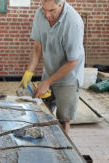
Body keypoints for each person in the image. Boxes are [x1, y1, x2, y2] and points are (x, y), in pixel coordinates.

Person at [21, 0, 84, 134]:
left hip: (69, 77)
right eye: (44, 9)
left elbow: (73, 61)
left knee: (63, 119)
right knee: (42, 110)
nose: (47, 15)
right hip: (49, 71)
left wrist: (47, 82)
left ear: (62, 4)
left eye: (52, 11)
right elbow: (38, 47)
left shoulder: (73, 22)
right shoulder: (40, 14)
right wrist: (29, 72)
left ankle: (63, 152)